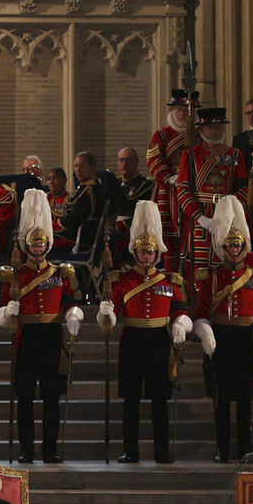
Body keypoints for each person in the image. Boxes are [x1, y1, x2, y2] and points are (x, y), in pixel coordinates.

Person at [0, 188, 82, 466]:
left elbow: (69, 301)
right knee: (25, 398)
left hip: (52, 337)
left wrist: (73, 315)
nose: (38, 249)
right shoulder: (16, 275)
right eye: (33, 244)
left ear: (48, 245)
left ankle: (50, 450)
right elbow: (1, 309)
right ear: (26, 245)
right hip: (27, 338)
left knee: (52, 398)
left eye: (42, 244)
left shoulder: (60, 273)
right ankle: (27, 449)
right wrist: (8, 312)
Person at [107, 198, 189, 465]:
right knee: (130, 400)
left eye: (150, 252)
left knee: (159, 400)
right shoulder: (122, 281)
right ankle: (130, 450)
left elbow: (180, 310)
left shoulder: (170, 281)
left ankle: (162, 451)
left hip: (158, 341)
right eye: (142, 252)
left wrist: (180, 324)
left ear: (157, 254)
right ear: (135, 252)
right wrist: (106, 314)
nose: (146, 256)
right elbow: (112, 314)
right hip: (132, 339)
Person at [197, 196, 253, 463]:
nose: (234, 250)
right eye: (230, 245)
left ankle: (245, 448)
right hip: (221, 338)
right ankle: (222, 449)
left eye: (238, 245)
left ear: (244, 247)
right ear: (222, 247)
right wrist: (205, 332)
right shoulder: (212, 276)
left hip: (246, 339)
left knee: (245, 397)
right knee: (222, 397)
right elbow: (201, 310)